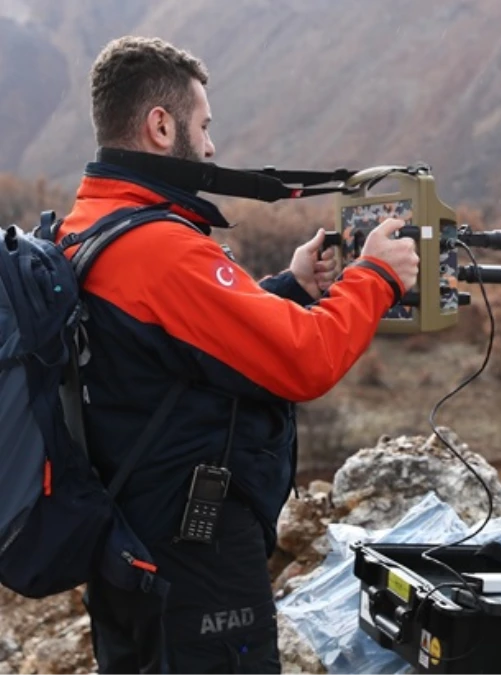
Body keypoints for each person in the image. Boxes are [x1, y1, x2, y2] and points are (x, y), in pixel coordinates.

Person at [58, 36, 420, 673]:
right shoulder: (160, 249)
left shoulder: (89, 226)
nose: (210, 147)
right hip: (195, 556)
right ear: (160, 126)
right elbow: (306, 360)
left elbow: (174, 347)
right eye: (203, 126)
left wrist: (288, 289)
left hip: (127, 543)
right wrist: (377, 277)